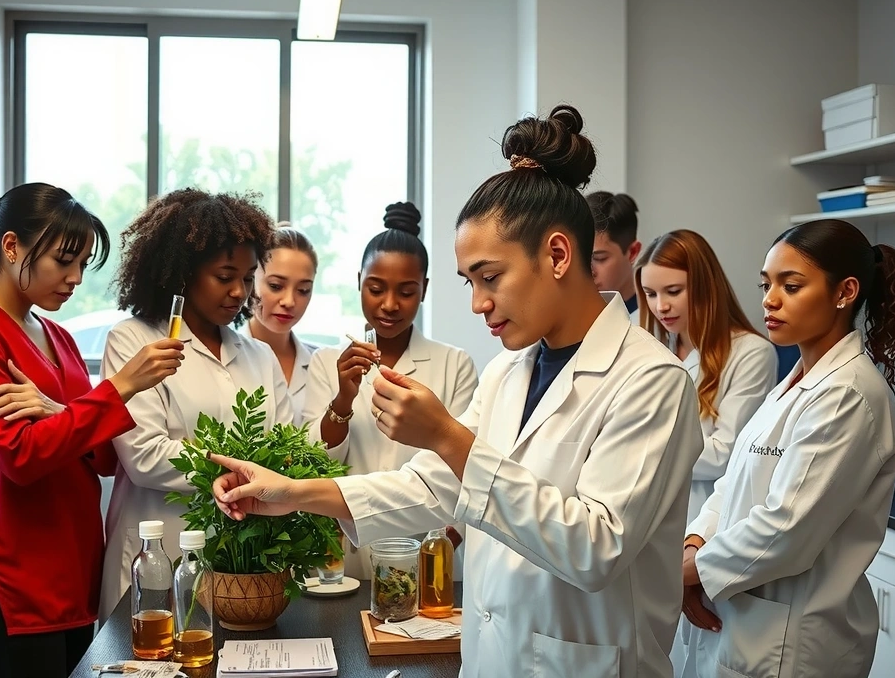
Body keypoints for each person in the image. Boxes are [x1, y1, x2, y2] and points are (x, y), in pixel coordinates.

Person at [208, 105, 704, 678]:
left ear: (559, 255)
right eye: (470, 282)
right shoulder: (509, 371)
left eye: (490, 278)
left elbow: (596, 547)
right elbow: (431, 487)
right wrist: (293, 492)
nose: (478, 303)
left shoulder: (651, 380)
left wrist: (445, 434)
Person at [0, 183, 183, 678]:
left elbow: (101, 457)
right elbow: (20, 458)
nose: (75, 278)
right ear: (11, 247)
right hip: (12, 570)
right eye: (64, 261)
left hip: (71, 565)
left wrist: (55, 410)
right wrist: (121, 385)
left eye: (83, 264)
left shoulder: (58, 337)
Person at [679, 218, 895, 678]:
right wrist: (693, 547)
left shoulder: (847, 394)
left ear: (844, 292)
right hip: (744, 623)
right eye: (766, 284)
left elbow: (784, 529)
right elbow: (733, 483)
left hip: (794, 641)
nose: (769, 299)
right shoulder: (795, 383)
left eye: (791, 286)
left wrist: (685, 574)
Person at [99, 188, 293, 621]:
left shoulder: (258, 354)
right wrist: (244, 470)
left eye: (246, 278)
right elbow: (144, 456)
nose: (239, 291)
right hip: (158, 549)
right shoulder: (134, 340)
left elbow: (284, 445)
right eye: (225, 276)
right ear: (183, 274)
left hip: (241, 559)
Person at [302, 201, 478, 579]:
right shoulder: (326, 362)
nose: (390, 305)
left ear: (425, 289)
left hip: (429, 556)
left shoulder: (454, 364)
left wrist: (438, 549)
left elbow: (466, 465)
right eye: (376, 289)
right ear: (359, 282)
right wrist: (344, 398)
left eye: (407, 291)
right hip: (347, 555)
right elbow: (315, 462)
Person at [635, 229, 777, 525]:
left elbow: (723, 455)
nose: (661, 306)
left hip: (704, 520)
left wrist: (637, 446)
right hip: (645, 517)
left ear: (705, 287)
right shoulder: (650, 350)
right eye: (650, 294)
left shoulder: (751, 353)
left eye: (673, 291)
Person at [241, 222, 318, 425]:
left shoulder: (321, 363)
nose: (289, 302)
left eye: (303, 290)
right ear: (250, 278)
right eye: (276, 286)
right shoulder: (221, 356)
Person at [586, 190, 641, 319]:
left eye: (600, 258)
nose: (588, 270)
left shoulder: (658, 321)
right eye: (581, 257)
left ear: (632, 252)